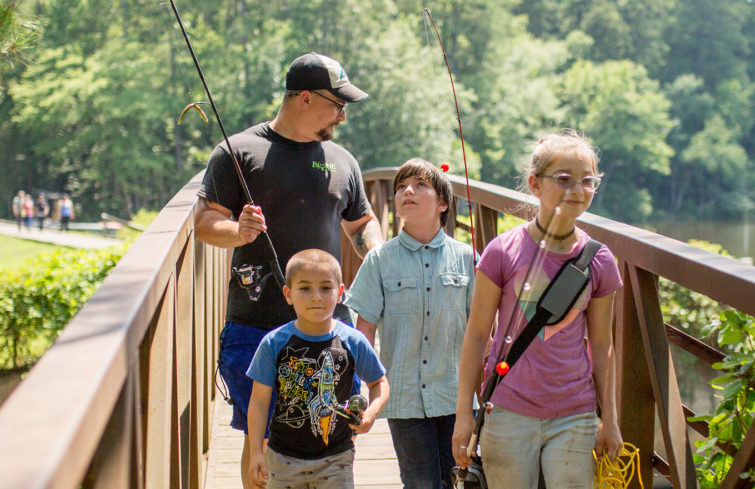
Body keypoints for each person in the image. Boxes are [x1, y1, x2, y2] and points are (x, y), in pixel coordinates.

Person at [192, 52, 384, 488]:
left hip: (327, 327)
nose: (342, 116)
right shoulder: (238, 152)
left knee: (325, 435)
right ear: (303, 98)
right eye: (337, 105)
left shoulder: (342, 161)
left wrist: (373, 249)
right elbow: (205, 224)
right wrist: (237, 231)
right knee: (259, 442)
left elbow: (362, 222)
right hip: (255, 326)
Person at [451, 130, 624, 488]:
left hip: (575, 413)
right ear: (535, 184)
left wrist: (610, 417)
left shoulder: (600, 261)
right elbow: (477, 334)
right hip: (508, 409)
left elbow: (603, 345)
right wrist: (464, 416)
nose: (577, 190)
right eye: (563, 179)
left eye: (587, 181)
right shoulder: (502, 252)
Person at [345, 158, 474, 489]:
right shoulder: (379, 259)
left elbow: (482, 329)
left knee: (460, 481)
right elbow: (364, 333)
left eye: (420, 185)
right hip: (403, 398)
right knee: (420, 483)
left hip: (457, 395)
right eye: (400, 187)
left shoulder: (466, 257)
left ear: (443, 203)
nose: (408, 191)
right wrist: (365, 391)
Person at [246, 249, 389, 489]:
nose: (316, 297)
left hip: (337, 457)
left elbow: (380, 383)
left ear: (340, 293)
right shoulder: (274, 343)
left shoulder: (352, 341)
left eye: (325, 288)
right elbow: (259, 402)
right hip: (282, 458)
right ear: (288, 294)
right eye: (305, 288)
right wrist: (255, 452)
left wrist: (371, 414)